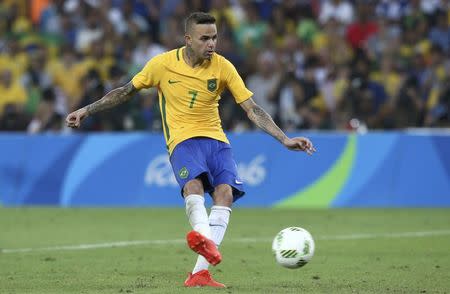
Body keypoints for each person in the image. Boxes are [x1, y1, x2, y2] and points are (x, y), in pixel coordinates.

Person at [66, 12, 315, 288]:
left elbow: (252, 109)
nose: (212, 44)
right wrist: (86, 110)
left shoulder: (223, 67)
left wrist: (284, 139)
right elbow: (125, 92)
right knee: (193, 187)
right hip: (183, 141)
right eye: (205, 38)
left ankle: (200, 272)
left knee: (225, 194)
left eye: (215, 37)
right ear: (188, 39)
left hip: (217, 141)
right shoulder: (161, 65)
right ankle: (205, 239)